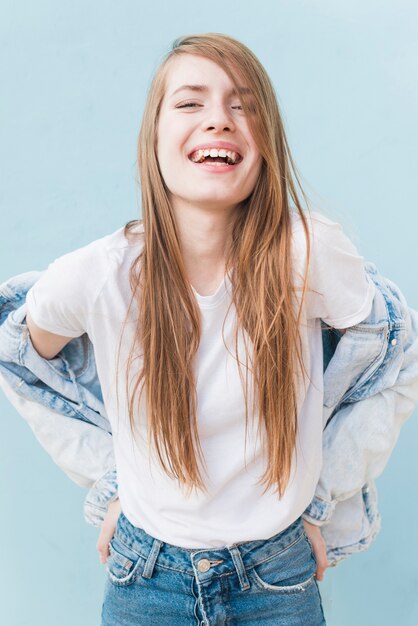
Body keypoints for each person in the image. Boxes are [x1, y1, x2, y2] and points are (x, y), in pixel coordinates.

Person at [19, 32, 395, 625]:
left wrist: (323, 504)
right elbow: (21, 355)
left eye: (242, 105)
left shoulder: (308, 254)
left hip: (280, 575)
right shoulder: (99, 276)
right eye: (190, 103)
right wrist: (115, 483)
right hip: (146, 580)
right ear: (155, 137)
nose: (219, 120)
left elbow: (394, 357)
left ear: (266, 142)